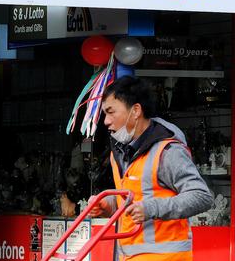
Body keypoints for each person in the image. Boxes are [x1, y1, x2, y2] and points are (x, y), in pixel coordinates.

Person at [89, 76, 213, 261]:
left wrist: (151, 208)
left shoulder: (168, 151)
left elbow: (202, 196)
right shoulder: (120, 153)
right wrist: (109, 205)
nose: (106, 121)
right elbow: (135, 198)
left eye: (110, 112)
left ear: (136, 110)